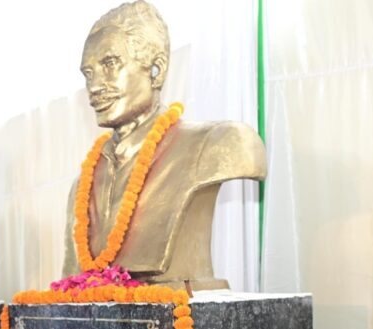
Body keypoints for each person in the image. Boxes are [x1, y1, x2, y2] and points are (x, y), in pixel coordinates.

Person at [62, 0, 266, 289]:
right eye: (88, 74)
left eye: (110, 64)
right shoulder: (83, 185)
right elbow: (71, 277)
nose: (94, 87)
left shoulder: (219, 144)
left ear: (156, 69)